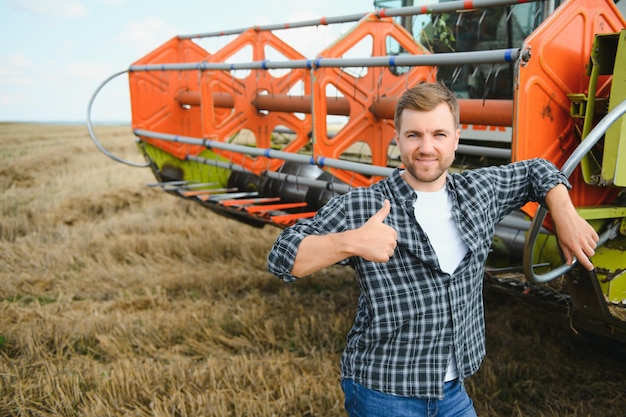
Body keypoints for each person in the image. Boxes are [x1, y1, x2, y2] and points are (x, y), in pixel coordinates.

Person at [266, 82, 599, 416]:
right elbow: (282, 257)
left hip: (451, 393)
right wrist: (349, 242)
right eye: (414, 135)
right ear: (398, 138)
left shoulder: (479, 191)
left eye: (438, 134)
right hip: (384, 391)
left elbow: (536, 170)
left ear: (456, 138)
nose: (426, 148)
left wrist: (565, 214)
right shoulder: (366, 205)